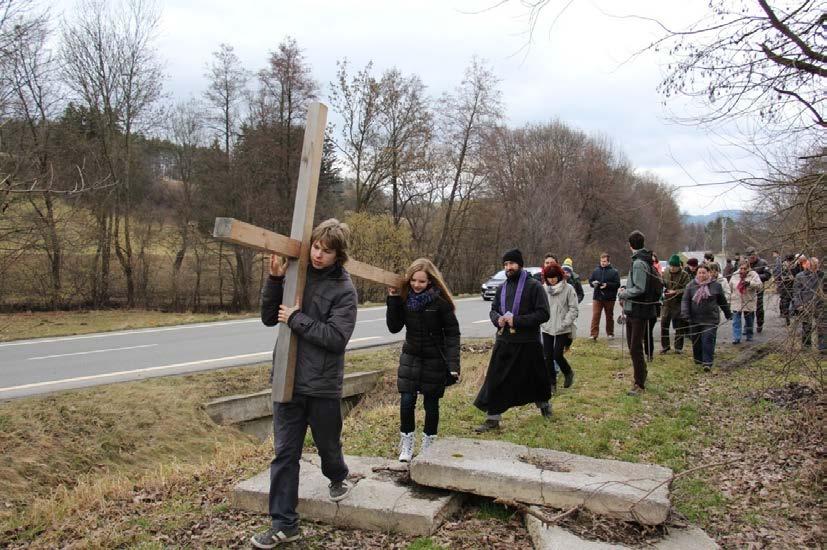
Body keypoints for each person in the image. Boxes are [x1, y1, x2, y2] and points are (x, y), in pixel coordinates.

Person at [253, 219, 358, 548]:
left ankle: (338, 475)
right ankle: (284, 523)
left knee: (327, 445)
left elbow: (336, 338)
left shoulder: (344, 289)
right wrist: (274, 279)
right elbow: (271, 316)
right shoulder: (297, 274)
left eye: (326, 251)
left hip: (322, 385)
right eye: (315, 247)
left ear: (338, 255)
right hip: (287, 380)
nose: (317, 255)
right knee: (284, 454)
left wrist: (296, 318)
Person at [386, 259, 460, 462]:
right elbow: (394, 327)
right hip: (411, 357)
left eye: (421, 281)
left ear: (430, 281)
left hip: (434, 359)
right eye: (413, 280)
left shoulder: (439, 303)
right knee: (407, 402)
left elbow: (453, 334)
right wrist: (392, 299)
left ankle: (428, 446)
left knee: (431, 404)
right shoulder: (404, 299)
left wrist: (453, 365)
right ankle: (407, 445)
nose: (416, 285)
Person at [474, 249, 552, 431]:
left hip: (528, 343)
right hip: (505, 341)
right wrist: (497, 319)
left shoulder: (534, 287)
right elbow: (493, 310)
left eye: (512, 264)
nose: (508, 267)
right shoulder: (501, 288)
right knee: (495, 379)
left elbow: (544, 313)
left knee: (537, 378)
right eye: (505, 264)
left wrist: (517, 320)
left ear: (520, 264)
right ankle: (493, 418)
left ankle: (545, 406)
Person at [617, 230, 659, 396]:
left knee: (635, 348)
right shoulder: (642, 260)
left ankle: (639, 384)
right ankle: (641, 376)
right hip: (635, 309)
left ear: (630, 245)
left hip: (638, 310)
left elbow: (640, 288)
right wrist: (625, 289)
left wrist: (623, 293)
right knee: (633, 347)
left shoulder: (638, 263)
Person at [682, 264, 732, 371]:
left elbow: (722, 302)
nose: (701, 275)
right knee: (696, 341)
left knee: (708, 339)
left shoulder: (716, 286)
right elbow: (685, 300)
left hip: (710, 319)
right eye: (699, 273)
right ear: (696, 274)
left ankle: (707, 362)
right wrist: (685, 314)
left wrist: (728, 313)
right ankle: (698, 360)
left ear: (708, 273)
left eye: (704, 272)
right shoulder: (691, 285)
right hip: (694, 318)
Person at [540, 263, 579, 394]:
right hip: (547, 326)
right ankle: (552, 383)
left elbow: (574, 309)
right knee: (547, 357)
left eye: (554, 277)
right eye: (549, 277)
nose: (552, 280)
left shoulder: (568, 289)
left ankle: (568, 372)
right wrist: (541, 321)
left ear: (559, 276)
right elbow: (539, 306)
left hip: (563, 327)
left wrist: (565, 322)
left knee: (557, 354)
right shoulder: (543, 289)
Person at [792, 257, 826, 351]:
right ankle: (806, 347)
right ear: (808, 265)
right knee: (806, 327)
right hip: (805, 305)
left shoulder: (823, 275)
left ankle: (823, 348)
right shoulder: (800, 276)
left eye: (817, 264)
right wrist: (798, 304)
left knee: (822, 326)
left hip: (820, 305)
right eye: (813, 264)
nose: (815, 266)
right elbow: (796, 292)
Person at [660, 254, 691, 354]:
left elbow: (687, 289)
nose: (672, 268)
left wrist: (676, 292)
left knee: (679, 326)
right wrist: (663, 290)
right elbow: (662, 284)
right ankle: (665, 346)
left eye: (675, 266)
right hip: (667, 303)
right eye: (671, 266)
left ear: (679, 266)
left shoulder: (684, 275)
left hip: (678, 303)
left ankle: (678, 347)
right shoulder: (665, 273)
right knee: (664, 324)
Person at [728, 260, 763, 344]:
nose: (743, 270)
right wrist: (729, 299)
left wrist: (750, 283)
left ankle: (749, 335)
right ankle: (736, 338)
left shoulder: (753, 274)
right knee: (736, 321)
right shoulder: (735, 275)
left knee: (749, 320)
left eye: (745, 268)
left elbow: (760, 286)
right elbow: (730, 287)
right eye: (741, 268)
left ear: (748, 268)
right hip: (737, 300)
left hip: (749, 300)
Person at [588, 253, 621, 340]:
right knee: (596, 315)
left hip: (609, 298)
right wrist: (593, 283)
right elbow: (590, 281)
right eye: (601, 261)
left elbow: (617, 284)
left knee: (609, 316)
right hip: (597, 297)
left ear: (608, 262)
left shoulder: (614, 271)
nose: (603, 263)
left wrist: (607, 285)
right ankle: (593, 334)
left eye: (605, 261)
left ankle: (610, 333)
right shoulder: (596, 270)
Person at [745, 246, 770, 333]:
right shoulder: (745, 263)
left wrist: (755, 277)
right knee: (747, 307)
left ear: (755, 255)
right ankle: (747, 326)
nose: (751, 259)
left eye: (752, 257)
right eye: (749, 258)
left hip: (758, 287)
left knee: (759, 306)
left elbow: (768, 275)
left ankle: (760, 323)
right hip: (748, 288)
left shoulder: (763, 263)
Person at [777, 254, 797, 326]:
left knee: (796, 304)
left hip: (794, 288)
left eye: (790, 261)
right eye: (788, 261)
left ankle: (795, 320)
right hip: (785, 287)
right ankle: (787, 320)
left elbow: (799, 276)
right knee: (785, 304)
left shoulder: (797, 266)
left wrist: (794, 278)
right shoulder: (782, 267)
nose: (789, 263)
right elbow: (778, 276)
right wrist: (783, 278)